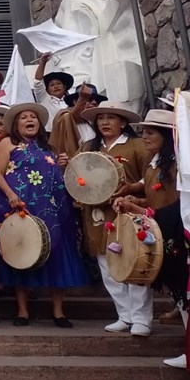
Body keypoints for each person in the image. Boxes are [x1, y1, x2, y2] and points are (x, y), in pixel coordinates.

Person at [0, 103, 87, 328]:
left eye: (33, 117)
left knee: (57, 253)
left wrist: (63, 167)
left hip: (53, 208)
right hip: (21, 206)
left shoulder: (48, 147)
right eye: (24, 117)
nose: (29, 120)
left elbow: (55, 178)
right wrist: (11, 195)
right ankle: (23, 311)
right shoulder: (8, 143)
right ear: (16, 124)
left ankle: (58, 312)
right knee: (22, 253)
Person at [63, 101, 151, 336]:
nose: (105, 122)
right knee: (107, 266)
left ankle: (142, 318)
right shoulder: (88, 147)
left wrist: (132, 191)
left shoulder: (137, 146)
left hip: (128, 212)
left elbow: (150, 178)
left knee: (133, 264)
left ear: (123, 122)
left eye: (111, 118)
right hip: (97, 215)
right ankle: (124, 315)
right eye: (101, 118)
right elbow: (78, 176)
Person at [109, 110, 184, 366]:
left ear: (166, 136)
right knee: (183, 297)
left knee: (185, 295)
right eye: (143, 132)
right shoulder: (155, 163)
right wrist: (134, 200)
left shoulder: (177, 164)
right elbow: (153, 195)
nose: (145, 137)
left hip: (177, 232)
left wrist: (141, 209)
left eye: (150, 132)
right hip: (162, 229)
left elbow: (176, 204)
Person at [50, 83, 108, 157]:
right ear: (75, 102)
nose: (94, 102)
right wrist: (83, 99)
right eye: (89, 99)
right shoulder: (63, 116)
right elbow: (69, 118)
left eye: (96, 100)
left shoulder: (98, 122)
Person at [33, 53, 74, 131]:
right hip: (49, 136)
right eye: (52, 85)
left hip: (68, 136)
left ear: (64, 87)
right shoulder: (44, 99)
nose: (56, 86)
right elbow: (38, 82)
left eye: (59, 84)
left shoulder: (71, 102)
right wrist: (43, 62)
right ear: (47, 89)